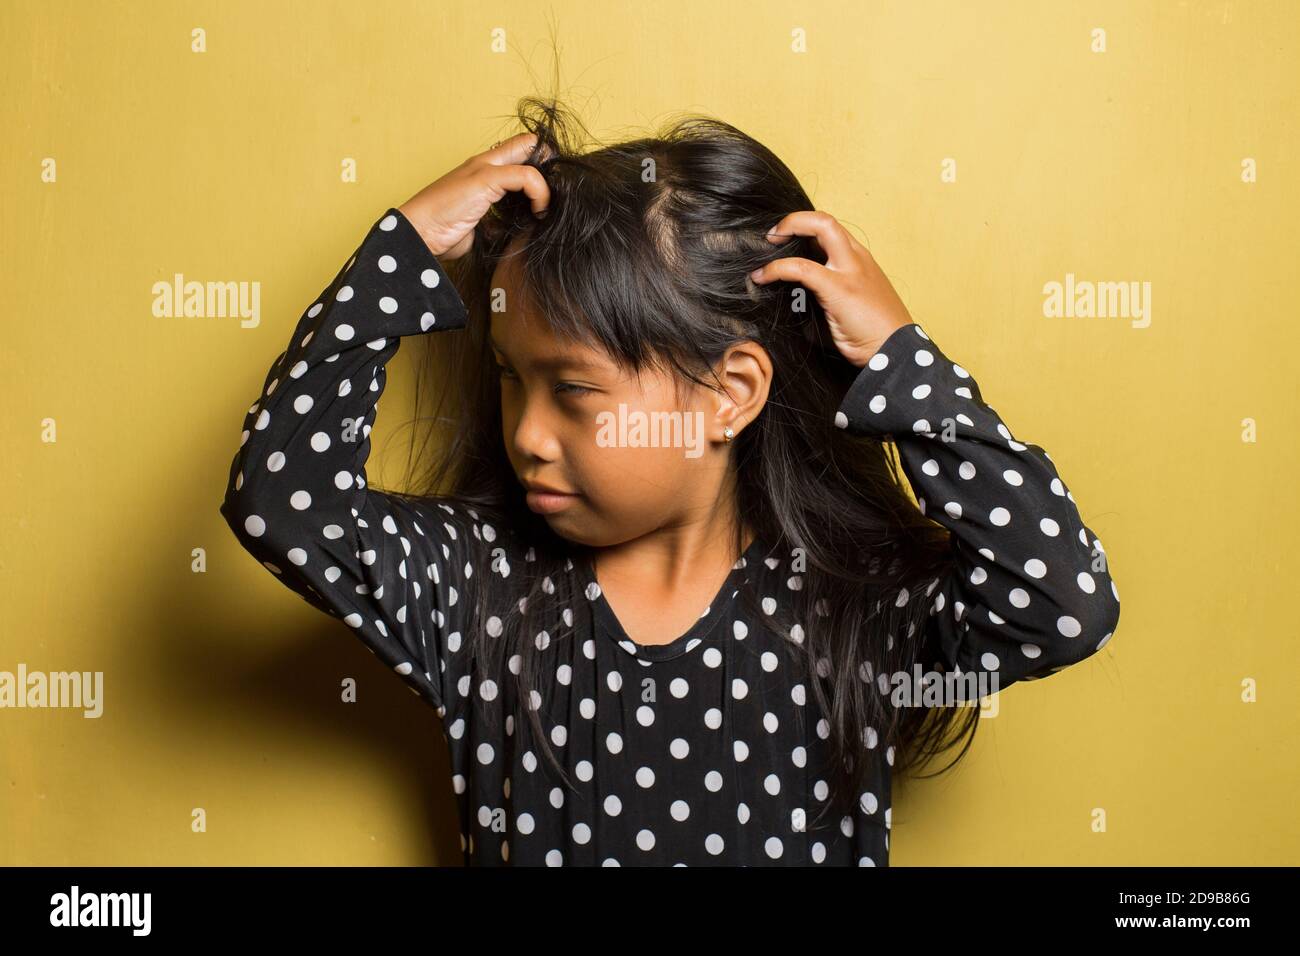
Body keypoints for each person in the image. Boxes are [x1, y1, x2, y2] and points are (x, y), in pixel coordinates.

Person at [218, 101, 1120, 866]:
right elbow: (283, 498)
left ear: (729, 396)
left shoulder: (850, 608)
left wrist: (900, 364)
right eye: (508, 378)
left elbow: (1063, 604)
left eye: (573, 391)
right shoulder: (481, 589)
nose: (528, 434)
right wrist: (401, 253)